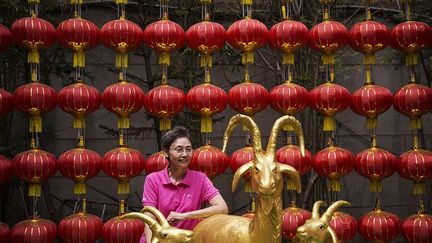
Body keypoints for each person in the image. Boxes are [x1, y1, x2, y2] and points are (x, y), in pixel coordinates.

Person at [141, 126, 228, 242]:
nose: (185, 154)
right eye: (179, 149)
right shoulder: (153, 180)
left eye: (188, 149)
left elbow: (222, 208)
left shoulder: (200, 179)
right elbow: (149, 219)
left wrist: (185, 216)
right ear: (166, 152)